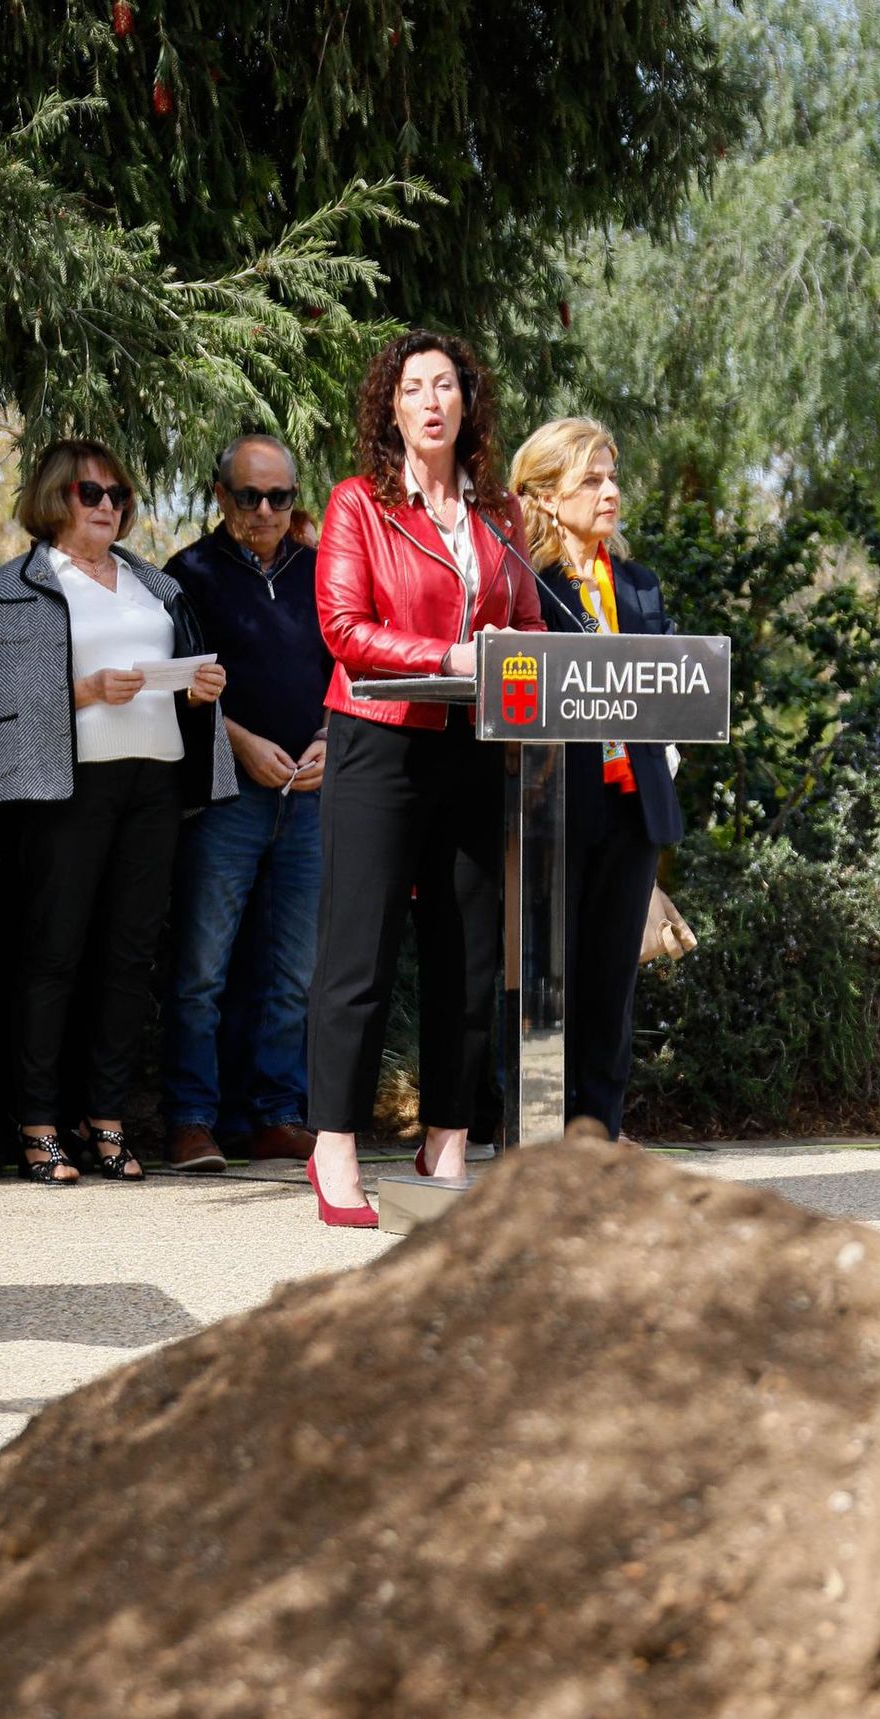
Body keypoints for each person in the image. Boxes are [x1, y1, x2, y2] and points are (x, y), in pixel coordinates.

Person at [308, 330, 544, 1226]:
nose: (434, 401)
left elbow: (525, 625)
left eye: (448, 386)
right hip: (377, 739)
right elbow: (344, 626)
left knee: (468, 956)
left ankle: (447, 1136)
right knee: (357, 953)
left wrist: (545, 665)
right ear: (393, 408)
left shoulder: (502, 516)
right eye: (416, 388)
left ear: (467, 405)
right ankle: (334, 1145)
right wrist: (450, 654)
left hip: (474, 748)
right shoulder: (357, 506)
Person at [0, 440, 232, 1183]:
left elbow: (185, 669)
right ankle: (37, 1124)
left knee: (129, 957)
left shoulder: (153, 584)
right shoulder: (14, 586)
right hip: (62, 787)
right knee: (51, 955)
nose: (107, 504)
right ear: (54, 497)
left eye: (117, 492)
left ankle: (104, 1121)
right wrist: (83, 692)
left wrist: (200, 687)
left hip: (154, 782)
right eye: (89, 491)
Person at [508, 417, 683, 1138]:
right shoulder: (526, 584)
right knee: (545, 984)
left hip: (633, 806)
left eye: (613, 476)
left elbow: (676, 684)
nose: (610, 491)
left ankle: (599, 1140)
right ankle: (535, 1143)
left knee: (612, 989)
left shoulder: (638, 584)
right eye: (591, 479)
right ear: (545, 497)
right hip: (553, 803)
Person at [160, 433, 329, 1170]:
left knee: (294, 972)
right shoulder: (186, 574)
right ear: (221, 495)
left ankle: (274, 1114)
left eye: (280, 496)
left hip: (313, 793)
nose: (265, 510)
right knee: (202, 968)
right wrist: (238, 742)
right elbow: (175, 686)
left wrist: (333, 736)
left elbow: (352, 668)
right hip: (228, 794)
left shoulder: (324, 573)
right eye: (250, 496)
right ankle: (193, 1119)